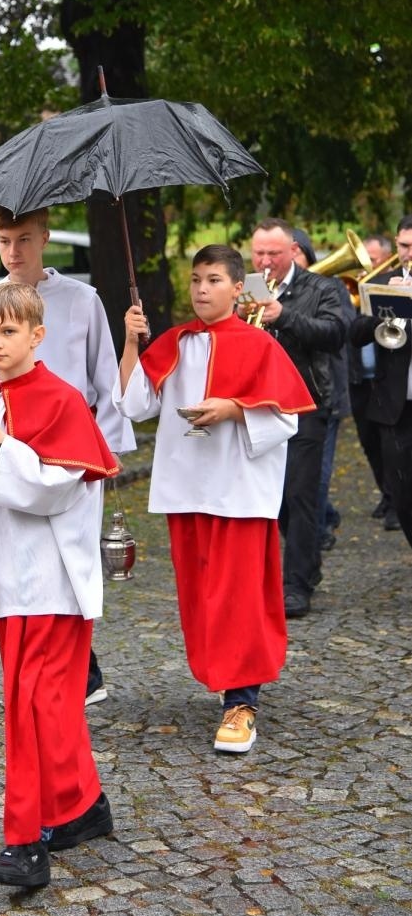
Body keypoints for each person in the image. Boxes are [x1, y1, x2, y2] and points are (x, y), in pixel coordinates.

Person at [0, 283, 119, 888]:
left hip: (52, 580)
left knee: (31, 708)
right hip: (8, 579)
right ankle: (83, 807)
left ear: (36, 336)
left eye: (8, 333)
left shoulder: (62, 401)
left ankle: (26, 841)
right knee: (51, 706)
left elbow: (53, 489)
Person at [114, 246, 314, 753]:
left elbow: (287, 419)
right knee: (203, 595)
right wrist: (132, 344)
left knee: (240, 596)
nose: (202, 289)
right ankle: (227, 683)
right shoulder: (175, 342)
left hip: (239, 492)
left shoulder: (259, 345)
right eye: (196, 279)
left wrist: (234, 409)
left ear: (236, 288)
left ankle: (242, 703)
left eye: (215, 280)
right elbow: (135, 405)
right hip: (187, 487)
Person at [0, 206, 137, 706]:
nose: (13, 251)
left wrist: (107, 449)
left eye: (23, 239)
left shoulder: (81, 299)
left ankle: (79, 666)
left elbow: (103, 374)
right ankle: (59, 673)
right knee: (25, 556)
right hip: (4, 441)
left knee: (69, 555)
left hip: (70, 443)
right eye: (3, 241)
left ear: (44, 237)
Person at [245, 218, 346, 618]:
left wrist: (283, 316)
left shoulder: (321, 286)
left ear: (292, 251)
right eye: (259, 253)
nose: (266, 261)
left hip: (307, 402)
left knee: (301, 494)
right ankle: (298, 568)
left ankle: (296, 585)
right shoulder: (248, 285)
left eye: (274, 253)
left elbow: (337, 333)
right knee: (273, 497)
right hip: (259, 405)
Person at [349, 214, 412, 549]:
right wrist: (385, 305)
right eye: (404, 246)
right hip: (396, 408)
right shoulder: (382, 280)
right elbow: (355, 335)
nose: (408, 254)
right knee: (402, 496)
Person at [291, 228, 354, 552]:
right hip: (288, 402)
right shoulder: (271, 290)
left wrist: (287, 315)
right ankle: (324, 519)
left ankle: (314, 539)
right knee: (296, 485)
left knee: (316, 479)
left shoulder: (329, 288)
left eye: (295, 252)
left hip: (322, 398)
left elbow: (340, 335)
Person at [351, 233, 399, 530]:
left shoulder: (395, 284)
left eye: (374, 261)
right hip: (359, 379)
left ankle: (396, 500)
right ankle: (387, 493)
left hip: (386, 380)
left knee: (391, 444)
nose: (368, 266)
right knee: (370, 443)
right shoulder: (356, 288)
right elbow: (352, 333)